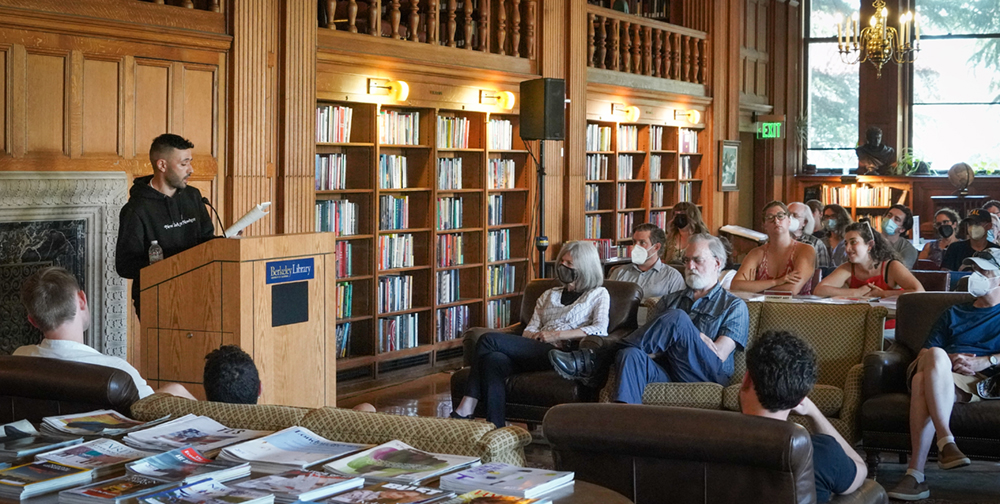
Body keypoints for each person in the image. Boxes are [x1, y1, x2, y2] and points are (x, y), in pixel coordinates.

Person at [548, 234, 749, 403]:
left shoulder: (733, 305)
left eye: (697, 260)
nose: (690, 266)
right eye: (686, 260)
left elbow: (719, 353)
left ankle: (597, 358)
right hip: (668, 369)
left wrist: (687, 333)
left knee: (678, 319)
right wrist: (688, 338)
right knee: (630, 355)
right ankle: (626, 432)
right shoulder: (670, 300)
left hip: (706, 373)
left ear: (717, 263)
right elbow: (650, 348)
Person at [451, 241, 610, 427]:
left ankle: (466, 408)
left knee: (487, 340)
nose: (563, 267)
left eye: (569, 264)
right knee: (492, 360)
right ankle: (497, 428)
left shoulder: (598, 294)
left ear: (585, 267)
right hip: (535, 347)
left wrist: (558, 335)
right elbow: (530, 329)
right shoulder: (549, 294)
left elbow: (600, 329)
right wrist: (538, 336)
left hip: (561, 353)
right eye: (562, 262)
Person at [886, 249, 1000, 500]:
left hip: (978, 379)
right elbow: (923, 355)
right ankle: (946, 441)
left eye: (984, 271)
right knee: (935, 356)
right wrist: (948, 360)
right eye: (974, 269)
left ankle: (915, 474)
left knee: (921, 382)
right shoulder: (953, 312)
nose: (976, 275)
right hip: (940, 368)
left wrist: (986, 361)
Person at [14, 266, 195, 400]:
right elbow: (149, 409)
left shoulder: (19, 359)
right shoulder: (116, 371)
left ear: (32, 320)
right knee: (176, 390)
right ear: (82, 300)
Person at [740, 331, 867, 502]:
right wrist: (813, 413)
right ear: (800, 398)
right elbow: (860, 469)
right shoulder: (820, 453)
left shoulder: (702, 439)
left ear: (747, 379)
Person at [116, 134, 216, 319]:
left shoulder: (193, 196)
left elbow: (206, 240)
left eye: (190, 162)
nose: (191, 169)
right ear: (162, 165)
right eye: (184, 164)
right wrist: (166, 262)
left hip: (200, 291)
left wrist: (228, 243)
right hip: (157, 299)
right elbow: (125, 266)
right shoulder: (136, 210)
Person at [202, 344, 376, 411]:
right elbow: (366, 408)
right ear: (260, 388)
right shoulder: (288, 420)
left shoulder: (194, 417)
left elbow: (174, 389)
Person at [814, 221, 924, 298]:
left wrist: (883, 294)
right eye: (846, 243)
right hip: (858, 325)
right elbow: (819, 290)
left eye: (853, 242)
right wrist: (856, 292)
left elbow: (919, 292)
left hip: (890, 325)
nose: (847, 248)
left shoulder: (891, 266)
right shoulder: (848, 268)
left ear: (870, 245)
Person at [730, 201, 816, 295]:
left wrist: (754, 287)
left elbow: (792, 289)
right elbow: (736, 286)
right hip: (761, 308)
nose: (776, 220)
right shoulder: (756, 253)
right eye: (770, 217)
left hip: (796, 308)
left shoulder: (805, 250)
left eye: (781, 216)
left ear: (789, 221)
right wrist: (777, 282)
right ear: (764, 225)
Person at [608, 223, 684, 300]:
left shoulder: (672, 277)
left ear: (656, 247)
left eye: (642, 243)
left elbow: (678, 308)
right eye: (634, 242)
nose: (635, 247)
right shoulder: (619, 273)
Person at [789, 201, 832, 269]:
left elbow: (822, 272)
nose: (789, 219)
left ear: (805, 222)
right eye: (788, 215)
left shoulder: (816, 244)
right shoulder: (775, 241)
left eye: (795, 216)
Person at [881, 204, 918, 269]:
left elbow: (900, 272)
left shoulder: (908, 250)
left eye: (897, 219)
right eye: (889, 215)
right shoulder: (869, 240)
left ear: (902, 229)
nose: (890, 219)